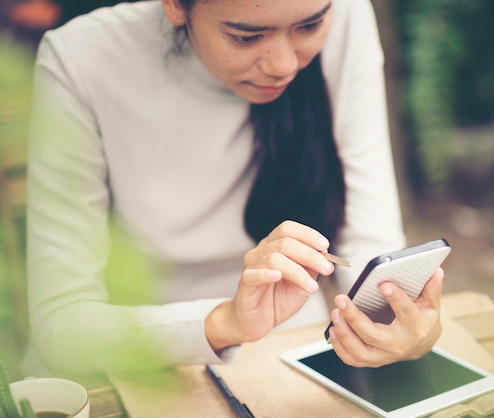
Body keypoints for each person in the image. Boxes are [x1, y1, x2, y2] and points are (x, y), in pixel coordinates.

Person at [25, 0, 444, 374]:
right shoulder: (83, 57)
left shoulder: (345, 13)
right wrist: (226, 322)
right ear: (175, 5)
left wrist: (401, 322)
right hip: (139, 353)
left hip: (301, 349)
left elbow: (369, 244)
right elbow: (62, 325)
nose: (282, 64)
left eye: (309, 26)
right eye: (246, 36)